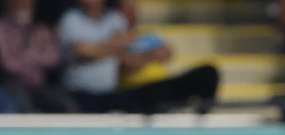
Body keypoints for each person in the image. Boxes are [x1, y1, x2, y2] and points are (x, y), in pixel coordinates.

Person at [58, 0, 219, 113]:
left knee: (207, 72)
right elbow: (83, 52)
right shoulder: (70, 19)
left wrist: (148, 55)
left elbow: (132, 60)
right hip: (82, 97)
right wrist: (117, 44)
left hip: (113, 95)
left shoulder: (115, 20)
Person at [0, 0, 74, 112]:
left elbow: (54, 58)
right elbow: (8, 64)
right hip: (12, 86)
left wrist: (25, 56)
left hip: (41, 87)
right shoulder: (2, 28)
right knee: (24, 109)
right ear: (10, 2)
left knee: (67, 106)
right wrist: (37, 55)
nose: (24, 4)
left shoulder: (41, 29)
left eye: (28, 2)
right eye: (20, 1)